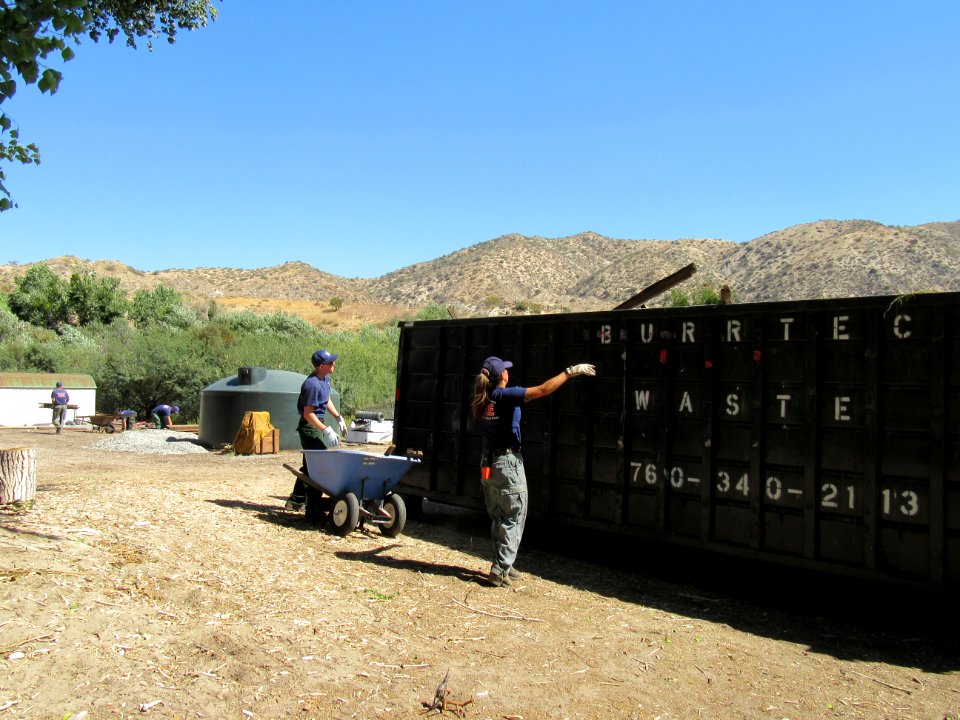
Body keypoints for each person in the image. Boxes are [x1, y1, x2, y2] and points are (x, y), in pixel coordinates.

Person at [470, 356, 596, 587]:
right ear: (502, 376)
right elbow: (543, 390)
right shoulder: (505, 395)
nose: (509, 371)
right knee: (514, 514)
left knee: (499, 514)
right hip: (507, 464)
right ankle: (499, 569)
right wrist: (570, 371)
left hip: (488, 466)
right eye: (506, 370)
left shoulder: (485, 397)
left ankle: (505, 562)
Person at [285, 349, 348, 513]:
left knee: (311, 466)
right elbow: (308, 414)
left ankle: (296, 501)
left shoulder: (325, 379)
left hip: (317, 424)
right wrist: (326, 429)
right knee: (318, 465)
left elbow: (326, 400)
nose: (333, 364)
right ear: (320, 366)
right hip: (309, 427)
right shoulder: (311, 385)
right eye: (330, 363)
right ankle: (312, 507)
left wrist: (338, 417)